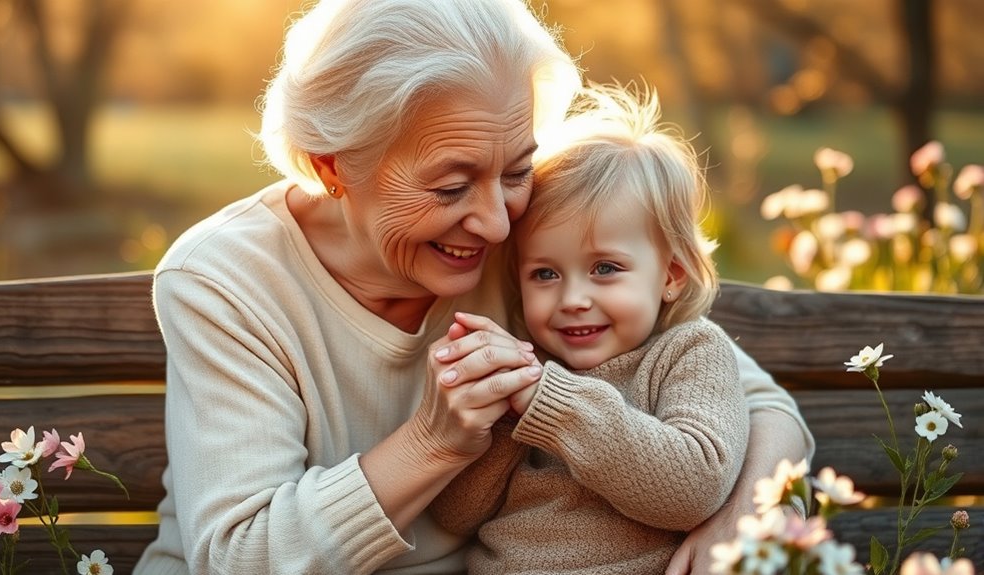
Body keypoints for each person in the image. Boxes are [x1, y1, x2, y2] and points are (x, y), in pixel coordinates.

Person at [133, 1, 814, 574]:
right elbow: (240, 557)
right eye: (451, 186)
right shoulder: (226, 281)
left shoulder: (536, 243)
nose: (495, 222)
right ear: (331, 166)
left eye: (516, 170)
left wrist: (738, 517)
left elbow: (760, 406)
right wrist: (433, 443)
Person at [430, 83, 750, 574]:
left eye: (605, 268)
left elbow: (695, 489)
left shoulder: (690, 352)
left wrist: (550, 402)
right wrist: (492, 417)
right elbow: (456, 515)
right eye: (545, 274)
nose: (573, 300)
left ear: (671, 276)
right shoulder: (531, 364)